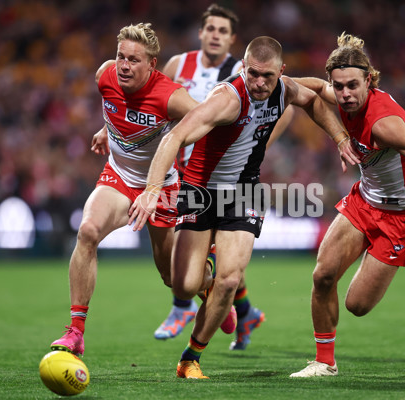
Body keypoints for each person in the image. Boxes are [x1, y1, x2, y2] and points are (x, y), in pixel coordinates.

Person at [129, 36, 360, 379]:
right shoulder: (226, 99)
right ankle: (207, 282)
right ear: (243, 68)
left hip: (244, 192)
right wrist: (152, 189)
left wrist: (341, 139)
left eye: (268, 76)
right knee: (183, 287)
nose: (259, 83)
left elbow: (311, 99)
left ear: (280, 73)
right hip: (200, 190)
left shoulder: (284, 89)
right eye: (252, 74)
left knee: (230, 279)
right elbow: (173, 138)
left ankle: (190, 359)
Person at [288, 32, 405, 378]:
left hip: (401, 217)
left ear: (369, 81)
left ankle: (378, 260)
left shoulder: (384, 125)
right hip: (365, 202)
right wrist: (277, 81)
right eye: (339, 86)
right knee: (323, 275)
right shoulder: (342, 95)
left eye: (352, 86)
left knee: (356, 305)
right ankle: (323, 362)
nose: (344, 95)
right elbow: (316, 88)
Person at [49, 23, 200, 356]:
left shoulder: (172, 97)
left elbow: (206, 121)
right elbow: (119, 108)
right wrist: (107, 128)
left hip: (162, 188)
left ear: (152, 64)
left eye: (134, 59)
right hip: (119, 177)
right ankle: (76, 331)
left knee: (173, 279)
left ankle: (213, 292)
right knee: (87, 231)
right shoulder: (105, 76)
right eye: (121, 56)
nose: (124, 65)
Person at [153, 3, 284, 350]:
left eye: (223, 31)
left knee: (226, 260)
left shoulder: (242, 74)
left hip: (226, 176)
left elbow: (282, 105)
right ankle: (239, 309)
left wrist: (258, 140)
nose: (215, 35)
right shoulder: (178, 65)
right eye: (210, 28)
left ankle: (193, 312)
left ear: (233, 42)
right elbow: (155, 104)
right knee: (179, 274)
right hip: (180, 169)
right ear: (201, 32)